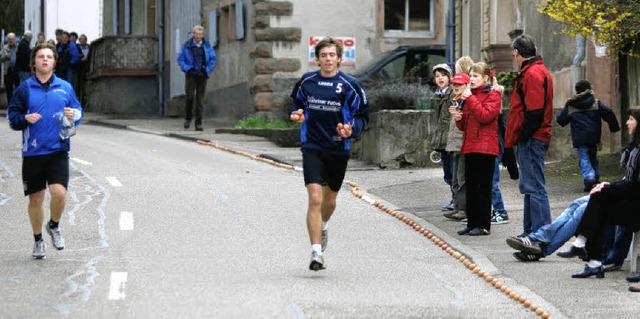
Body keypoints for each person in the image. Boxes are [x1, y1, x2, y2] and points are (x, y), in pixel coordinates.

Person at [289, 37, 369, 271]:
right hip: (312, 145)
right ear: (317, 58)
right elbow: (296, 103)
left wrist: (351, 129)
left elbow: (363, 114)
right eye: (323, 55)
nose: (328, 59)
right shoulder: (307, 82)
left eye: (332, 55)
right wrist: (296, 114)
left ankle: (323, 225)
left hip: (338, 148)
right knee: (315, 198)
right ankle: (316, 254)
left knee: (329, 200)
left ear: (339, 59)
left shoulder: (350, 84)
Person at [6, 42, 84, 259]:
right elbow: (12, 117)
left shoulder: (65, 87)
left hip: (58, 149)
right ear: (34, 62)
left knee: (59, 194)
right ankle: (38, 239)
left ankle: (54, 225)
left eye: (49, 56)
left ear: (54, 62)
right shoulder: (25, 89)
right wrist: (24, 119)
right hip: (33, 152)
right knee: (36, 199)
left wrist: (74, 115)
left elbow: (78, 110)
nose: (45, 60)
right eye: (41, 56)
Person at [563, 111, 640, 285]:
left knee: (600, 199)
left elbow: (635, 187)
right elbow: (628, 183)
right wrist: (605, 187)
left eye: (632, 119)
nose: (627, 123)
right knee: (598, 201)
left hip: (637, 210)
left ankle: (584, 248)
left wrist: (609, 187)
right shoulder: (634, 147)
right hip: (632, 203)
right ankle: (593, 261)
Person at [504, 34, 554, 237]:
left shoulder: (532, 74)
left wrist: (520, 137)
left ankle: (540, 233)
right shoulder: (534, 72)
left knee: (534, 188)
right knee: (529, 187)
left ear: (517, 53)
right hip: (533, 137)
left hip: (533, 138)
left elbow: (534, 113)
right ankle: (530, 232)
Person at [452, 62, 501, 236]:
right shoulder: (469, 95)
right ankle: (472, 223)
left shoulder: (493, 95)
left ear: (486, 78)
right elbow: (464, 125)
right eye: (471, 76)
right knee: (471, 186)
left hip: (486, 147)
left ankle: (483, 224)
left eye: (476, 76)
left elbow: (485, 116)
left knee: (483, 187)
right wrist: (459, 117)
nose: (471, 79)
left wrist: (470, 99)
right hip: (470, 145)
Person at [556, 80, 620, 192]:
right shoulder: (595, 103)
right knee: (592, 157)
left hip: (580, 138)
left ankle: (589, 177)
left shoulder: (571, 105)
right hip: (594, 136)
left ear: (576, 90)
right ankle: (594, 178)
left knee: (584, 158)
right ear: (589, 89)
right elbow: (609, 112)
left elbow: (561, 120)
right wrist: (614, 127)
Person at [442, 56, 473, 221]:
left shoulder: (467, 97)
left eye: (458, 84)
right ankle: (457, 206)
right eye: (454, 84)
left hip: (462, 143)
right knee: (455, 177)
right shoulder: (457, 97)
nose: (455, 86)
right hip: (455, 143)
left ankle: (462, 209)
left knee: (461, 178)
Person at [177, 25, 217, 131]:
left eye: (200, 34)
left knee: (200, 100)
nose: (198, 36)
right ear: (193, 34)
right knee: (189, 97)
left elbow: (213, 59)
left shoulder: (207, 45)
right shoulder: (187, 46)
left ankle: (198, 123)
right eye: (196, 33)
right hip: (191, 74)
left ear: (202, 35)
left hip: (202, 75)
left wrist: (207, 70)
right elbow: (180, 59)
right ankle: (188, 118)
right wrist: (187, 68)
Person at [429, 63, 455, 210]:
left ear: (449, 77)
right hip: (441, 138)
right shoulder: (437, 95)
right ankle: (454, 199)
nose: (440, 78)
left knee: (452, 172)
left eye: (443, 75)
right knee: (447, 174)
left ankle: (457, 201)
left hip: (450, 138)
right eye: (437, 76)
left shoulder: (452, 94)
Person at [1, 32, 19, 102]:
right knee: (9, 89)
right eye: (9, 39)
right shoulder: (5, 48)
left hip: (17, 70)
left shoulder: (18, 47)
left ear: (15, 39)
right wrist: (5, 57)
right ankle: (10, 105)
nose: (11, 40)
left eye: (12, 39)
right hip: (8, 71)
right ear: (7, 39)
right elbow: (1, 59)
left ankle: (17, 105)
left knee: (18, 89)